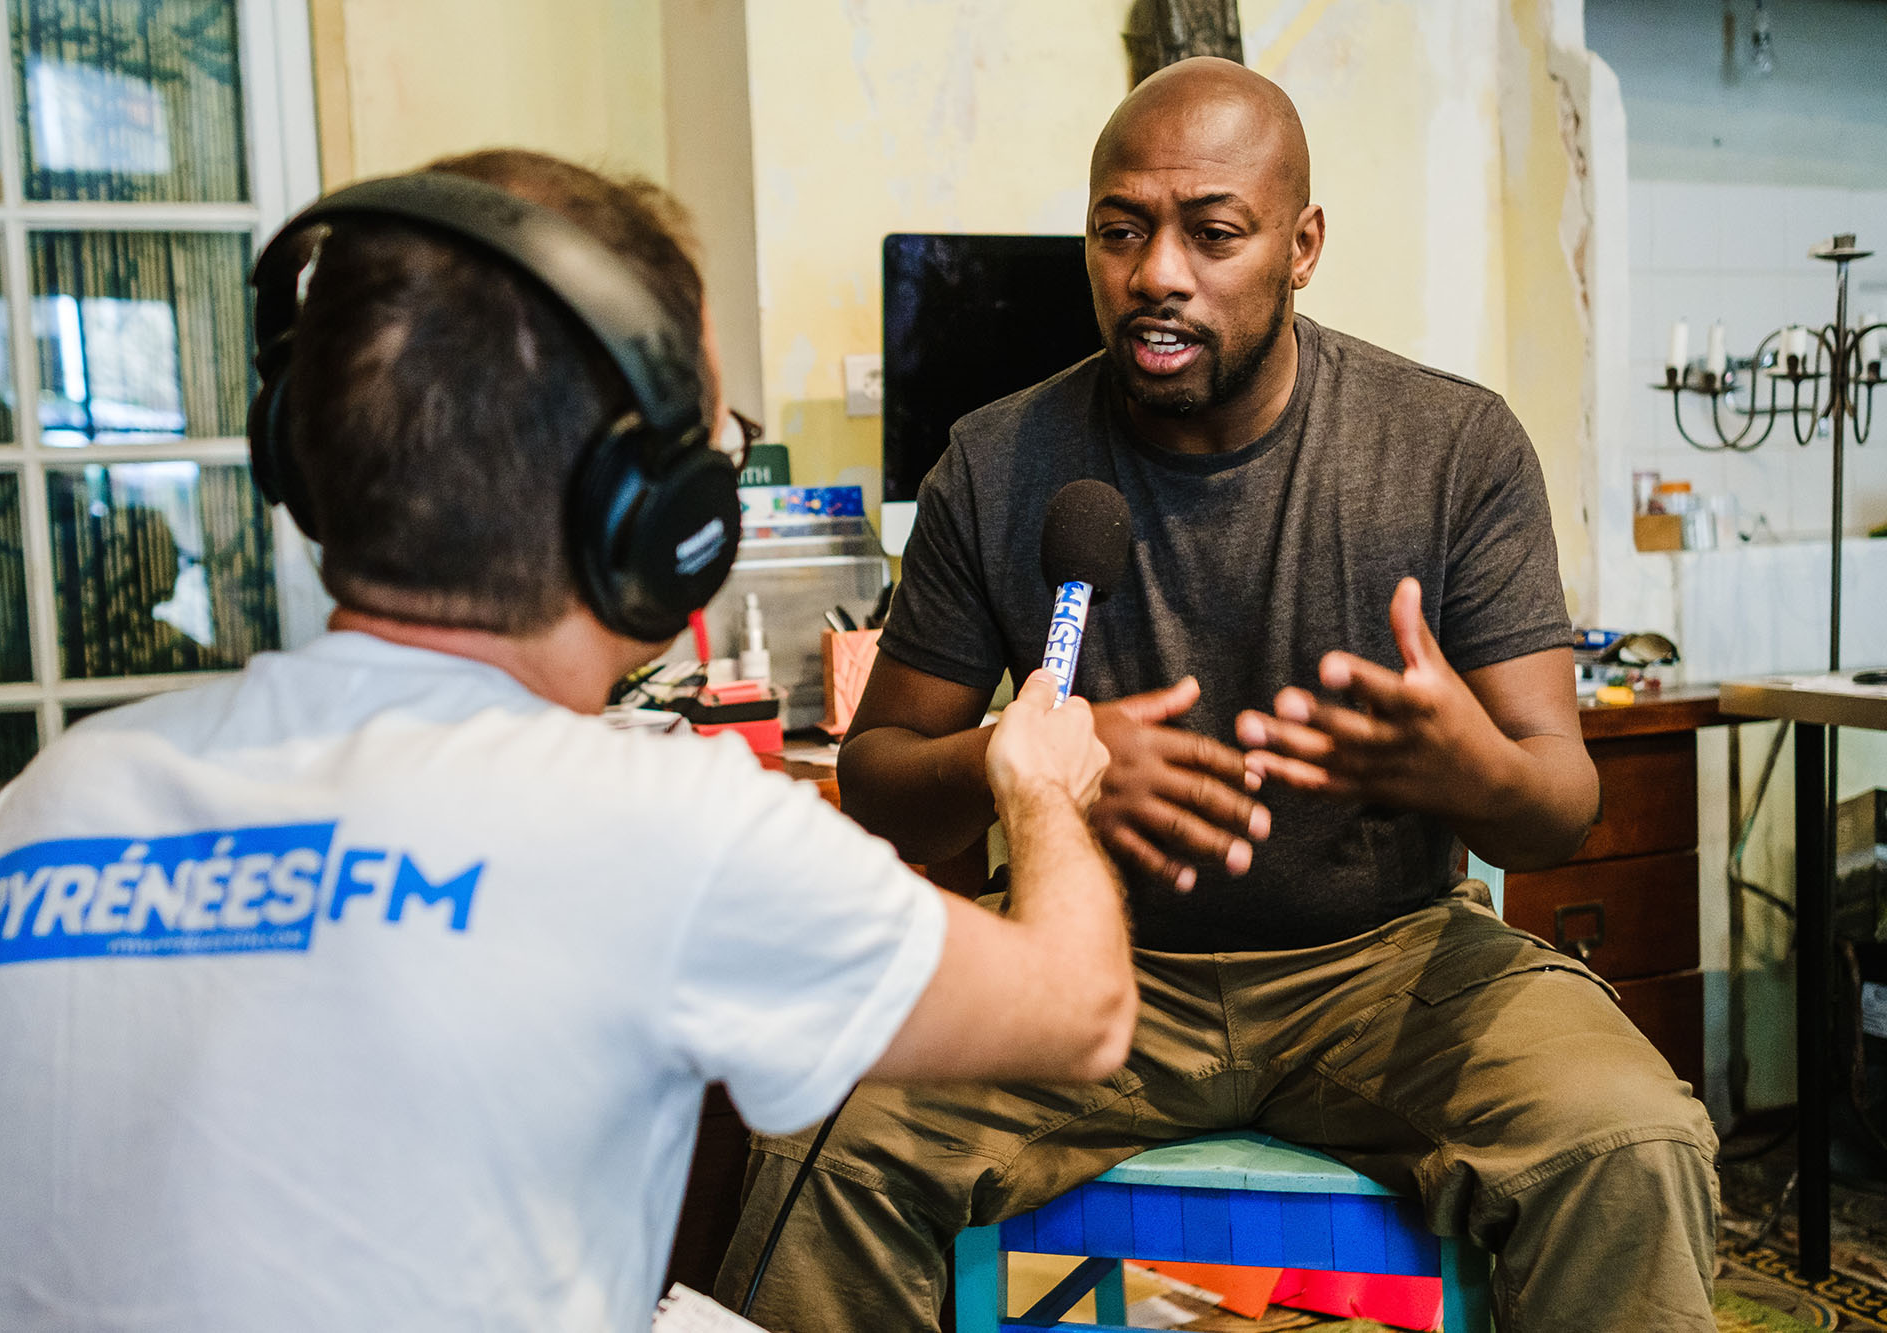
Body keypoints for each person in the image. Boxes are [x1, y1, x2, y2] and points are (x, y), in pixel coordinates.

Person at [0, 150, 1139, 1333]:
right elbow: (1080, 1013)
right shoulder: (661, 822)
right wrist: (1034, 780)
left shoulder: (43, 807)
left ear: (303, 458)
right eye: (716, 440)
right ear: (661, 518)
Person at [717, 58, 1719, 1333]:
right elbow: (878, 781)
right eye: (1120, 230)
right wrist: (1018, 765)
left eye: (1212, 231)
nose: (1157, 274)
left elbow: (1556, 804)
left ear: (1300, 246)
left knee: (1625, 1142)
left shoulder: (1448, 447)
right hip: (1079, 961)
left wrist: (1463, 770)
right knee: (825, 1144)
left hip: (1387, 961)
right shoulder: (999, 457)